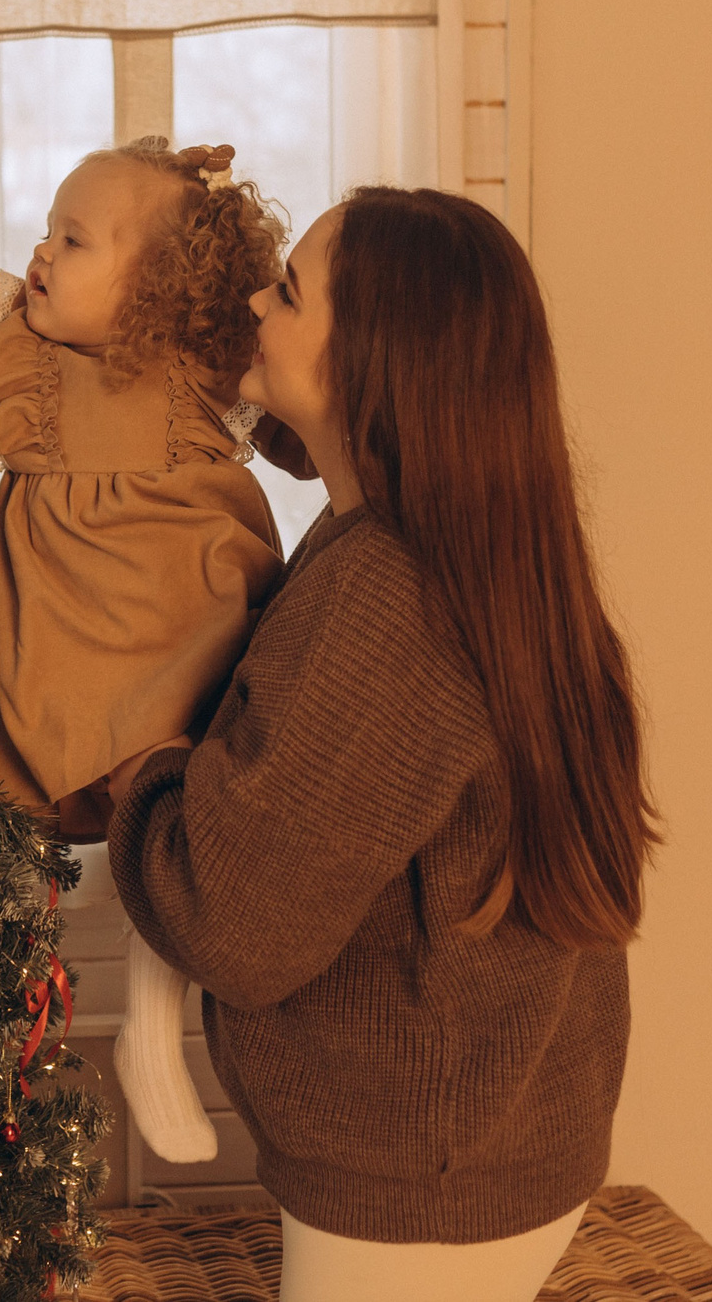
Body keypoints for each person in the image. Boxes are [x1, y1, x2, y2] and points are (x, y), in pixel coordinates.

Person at [108, 187, 659, 1301]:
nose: (257, 302)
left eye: (289, 293)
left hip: (417, 1202)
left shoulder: (385, 598)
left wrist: (143, 768)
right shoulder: (479, 545)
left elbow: (232, 920)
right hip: (505, 1142)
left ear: (373, 363)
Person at [0, 132, 301, 1165]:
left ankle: (155, 1032)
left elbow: (316, 411)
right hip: (83, 662)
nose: (40, 252)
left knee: (190, 825)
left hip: (202, 640)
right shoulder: (21, 364)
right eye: (47, 231)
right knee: (67, 831)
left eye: (73, 241)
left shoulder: (206, 368)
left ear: (158, 292)